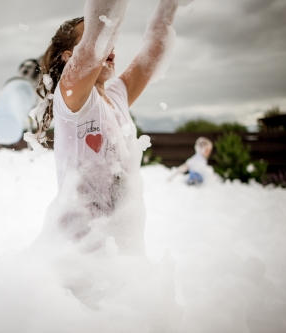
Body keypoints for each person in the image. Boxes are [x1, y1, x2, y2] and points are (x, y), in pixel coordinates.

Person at [27, 0, 183, 254]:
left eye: (111, 40)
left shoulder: (116, 97)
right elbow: (103, 25)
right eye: (92, 37)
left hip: (120, 249)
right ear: (70, 57)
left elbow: (151, 51)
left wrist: (169, 5)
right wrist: (101, 30)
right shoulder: (71, 96)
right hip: (76, 249)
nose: (109, 44)